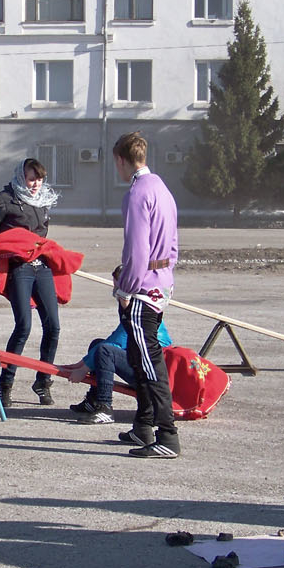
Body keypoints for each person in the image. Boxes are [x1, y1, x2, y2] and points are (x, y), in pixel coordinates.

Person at [0, 158, 61, 407]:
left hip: (41, 268)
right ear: (21, 176)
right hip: (19, 269)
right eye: (31, 179)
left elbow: (43, 236)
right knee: (23, 326)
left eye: (39, 179)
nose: (35, 184)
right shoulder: (4, 199)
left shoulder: (42, 201)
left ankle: (43, 382)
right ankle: (6, 384)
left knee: (53, 326)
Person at [111, 133, 181, 458]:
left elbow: (137, 250)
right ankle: (143, 426)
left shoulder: (137, 193)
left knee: (150, 362)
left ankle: (167, 435)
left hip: (143, 290)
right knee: (140, 358)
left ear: (122, 160)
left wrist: (126, 286)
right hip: (162, 283)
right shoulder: (162, 189)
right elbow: (173, 243)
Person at [62, 317, 173, 424]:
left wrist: (83, 369)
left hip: (152, 378)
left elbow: (117, 342)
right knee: (98, 344)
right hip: (146, 366)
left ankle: (105, 408)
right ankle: (93, 401)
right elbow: (114, 339)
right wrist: (80, 364)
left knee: (105, 351)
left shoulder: (139, 313)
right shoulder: (137, 308)